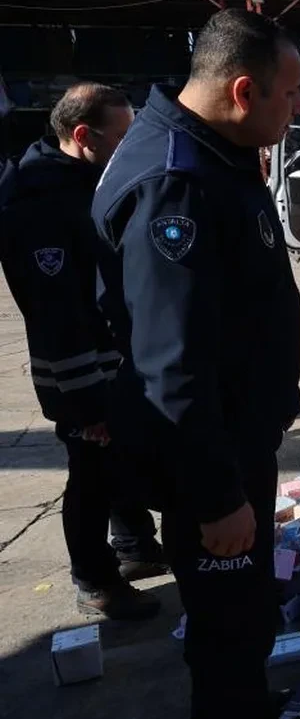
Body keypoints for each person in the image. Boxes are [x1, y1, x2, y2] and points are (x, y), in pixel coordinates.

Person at [92, 9, 300, 719]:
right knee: (227, 627)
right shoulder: (173, 185)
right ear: (243, 91)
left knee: (242, 618)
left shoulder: (210, 153)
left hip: (236, 438)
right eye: (291, 92)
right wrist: (217, 497)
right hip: (213, 461)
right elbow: (172, 365)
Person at [0, 83, 167, 620]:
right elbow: (56, 312)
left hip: (114, 358)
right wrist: (88, 404)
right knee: (91, 474)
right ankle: (96, 581)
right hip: (78, 370)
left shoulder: (87, 179)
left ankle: (135, 545)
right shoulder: (39, 200)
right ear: (81, 135)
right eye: (119, 136)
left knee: (122, 459)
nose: (127, 145)